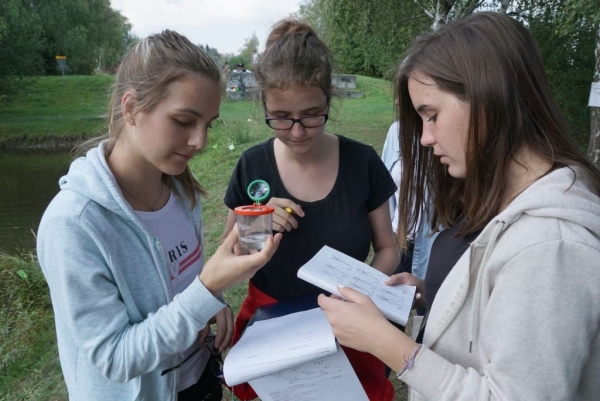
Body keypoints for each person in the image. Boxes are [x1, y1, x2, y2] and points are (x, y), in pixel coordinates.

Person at [319, 12, 600, 400]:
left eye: (432, 116)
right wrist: (435, 290)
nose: (425, 139)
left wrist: (385, 343)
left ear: (488, 97)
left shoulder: (552, 248)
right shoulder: (501, 196)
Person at [37, 30, 281, 401]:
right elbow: (115, 358)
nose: (200, 141)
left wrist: (209, 303)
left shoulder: (182, 190)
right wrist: (208, 291)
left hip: (202, 378)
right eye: (184, 121)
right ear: (131, 107)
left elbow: (180, 284)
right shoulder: (73, 224)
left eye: (208, 125)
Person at [222, 18, 399, 401]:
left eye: (312, 114)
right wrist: (256, 220)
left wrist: (357, 295)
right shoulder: (252, 166)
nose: (298, 131)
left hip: (346, 324)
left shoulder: (362, 162)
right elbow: (230, 255)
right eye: (282, 117)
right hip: (272, 330)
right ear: (263, 103)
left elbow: (388, 249)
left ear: (329, 100)